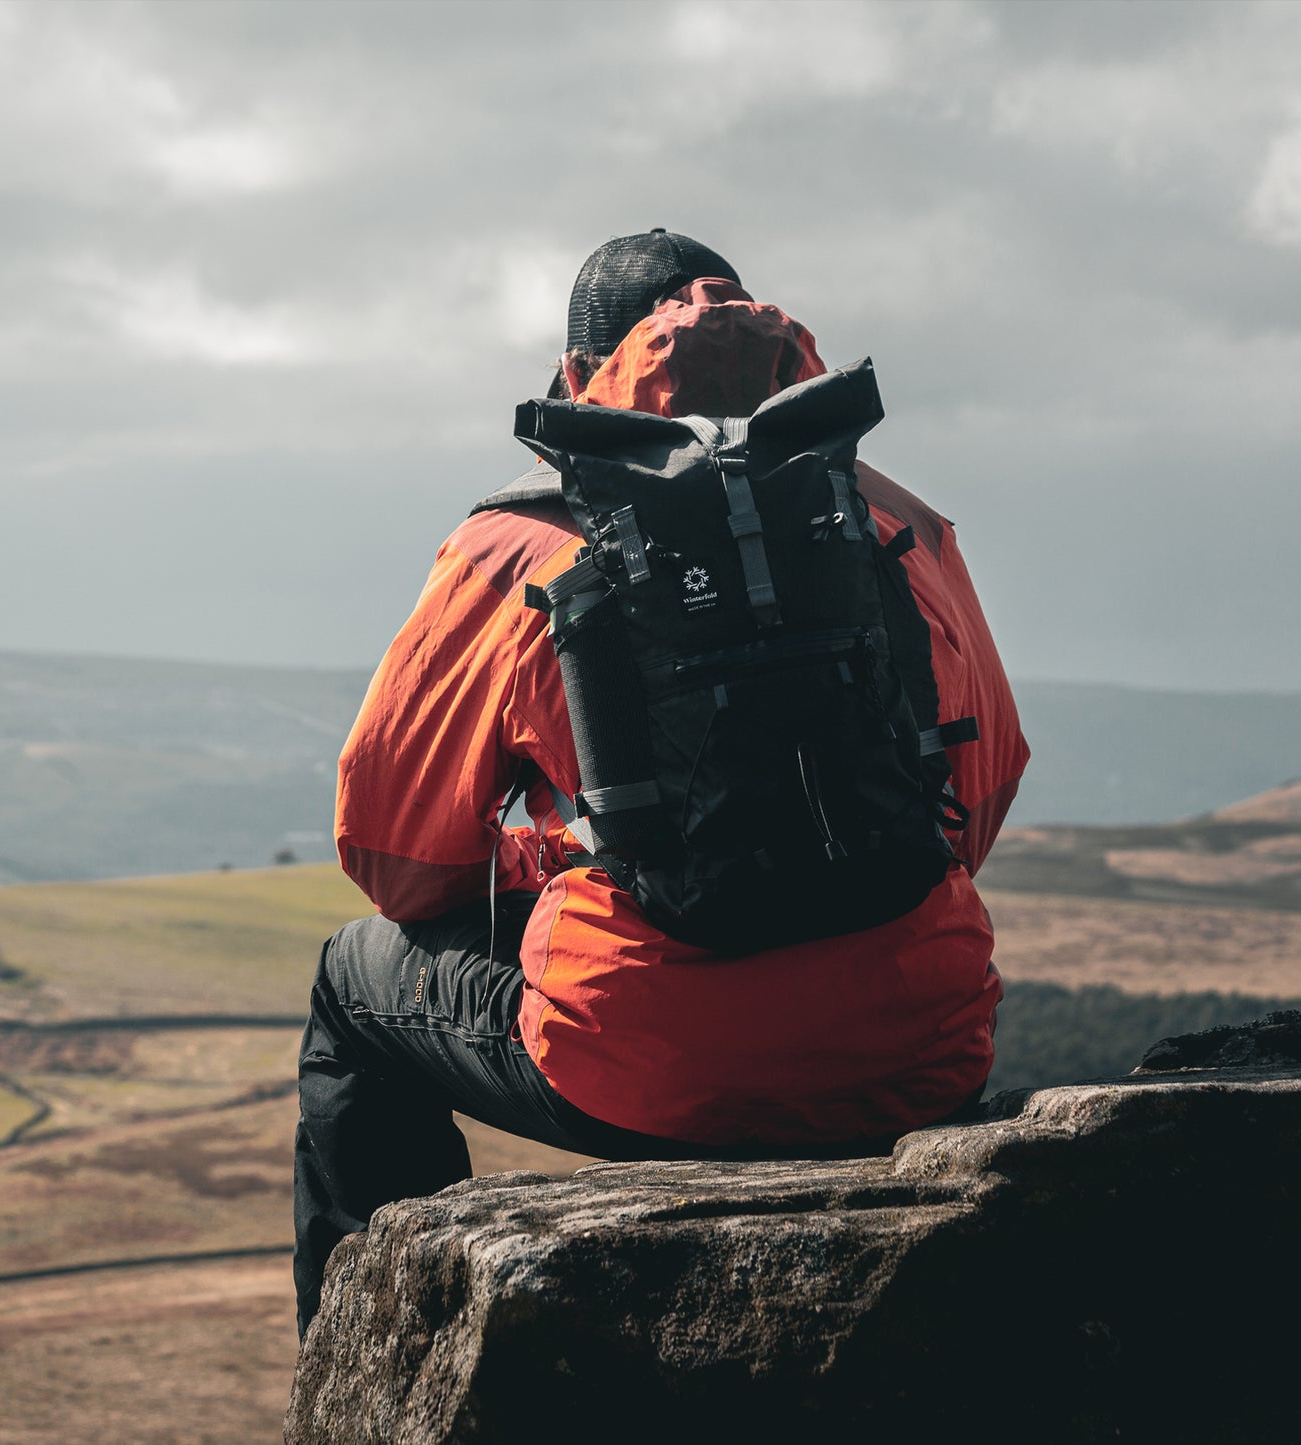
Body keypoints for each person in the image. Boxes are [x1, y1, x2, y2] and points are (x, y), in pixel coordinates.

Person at [293, 230, 1029, 1336]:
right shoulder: (894, 521)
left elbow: (398, 861)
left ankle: (369, 1344)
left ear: (577, 376)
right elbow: (972, 798)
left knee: (352, 986)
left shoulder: (516, 543)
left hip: (648, 1072)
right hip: (916, 1047)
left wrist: (582, 857)